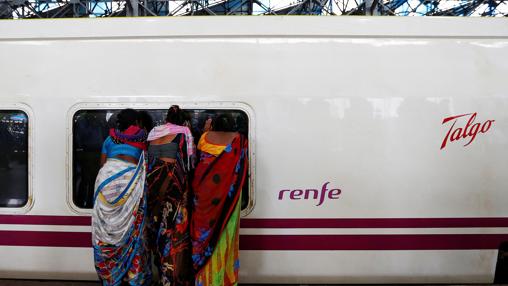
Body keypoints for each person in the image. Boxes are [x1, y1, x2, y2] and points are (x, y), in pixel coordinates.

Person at [92, 108, 151, 286]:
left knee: (106, 226)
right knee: (133, 227)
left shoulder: (109, 139)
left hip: (106, 181)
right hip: (131, 183)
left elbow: (102, 164)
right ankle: (133, 276)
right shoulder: (142, 138)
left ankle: (111, 276)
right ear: (135, 123)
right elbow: (145, 161)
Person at [191, 113, 248, 286]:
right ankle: (221, 278)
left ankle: (203, 279)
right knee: (225, 236)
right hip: (228, 199)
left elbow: (198, 160)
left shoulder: (204, 138)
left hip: (204, 195)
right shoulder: (240, 140)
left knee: (203, 236)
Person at [146, 105, 195, 286]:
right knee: (171, 232)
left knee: (156, 228)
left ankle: (159, 269)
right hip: (172, 188)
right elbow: (190, 161)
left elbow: (148, 159)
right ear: (182, 120)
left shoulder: (153, 132)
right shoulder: (184, 132)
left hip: (152, 186)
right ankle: (170, 277)